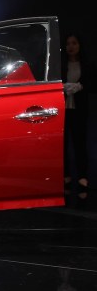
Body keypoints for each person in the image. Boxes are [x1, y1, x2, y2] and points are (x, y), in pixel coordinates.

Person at [61, 32, 94, 201]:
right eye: (68, 44)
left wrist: (80, 86)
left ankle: (82, 177)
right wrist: (63, 86)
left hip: (79, 109)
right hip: (63, 109)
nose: (71, 47)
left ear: (79, 45)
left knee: (80, 143)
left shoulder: (86, 65)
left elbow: (91, 83)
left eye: (74, 43)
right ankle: (66, 176)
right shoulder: (62, 64)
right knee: (63, 144)